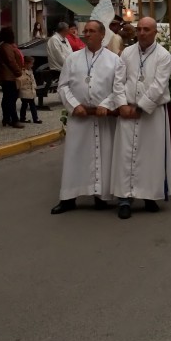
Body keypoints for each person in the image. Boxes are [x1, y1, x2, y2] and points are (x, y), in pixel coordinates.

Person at [51, 20, 125, 214]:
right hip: (80, 117)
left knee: (104, 155)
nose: (87, 34)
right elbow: (63, 86)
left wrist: (106, 104)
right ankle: (68, 198)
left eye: (92, 31)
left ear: (102, 35)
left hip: (103, 118)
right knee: (76, 156)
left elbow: (118, 88)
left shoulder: (114, 60)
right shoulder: (72, 59)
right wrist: (74, 105)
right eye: (85, 31)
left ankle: (100, 195)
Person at [111, 16, 171, 219]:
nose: (142, 33)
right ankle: (124, 199)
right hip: (126, 111)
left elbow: (158, 86)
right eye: (139, 29)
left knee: (150, 157)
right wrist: (121, 105)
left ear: (155, 32)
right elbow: (118, 81)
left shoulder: (163, 56)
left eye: (146, 29)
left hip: (151, 113)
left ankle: (149, 196)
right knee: (125, 155)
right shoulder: (127, 53)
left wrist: (139, 108)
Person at [0, 26, 24, 128]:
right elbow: (11, 61)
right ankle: (14, 120)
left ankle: (7, 118)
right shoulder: (6, 47)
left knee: (7, 98)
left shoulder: (7, 46)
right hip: (9, 77)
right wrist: (19, 73)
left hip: (8, 76)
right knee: (11, 99)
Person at [18, 56, 42, 123]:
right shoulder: (22, 71)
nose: (32, 65)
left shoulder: (30, 71)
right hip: (25, 91)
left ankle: (24, 118)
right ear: (26, 63)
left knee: (26, 105)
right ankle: (34, 118)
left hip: (30, 91)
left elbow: (33, 80)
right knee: (29, 105)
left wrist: (34, 87)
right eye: (31, 64)